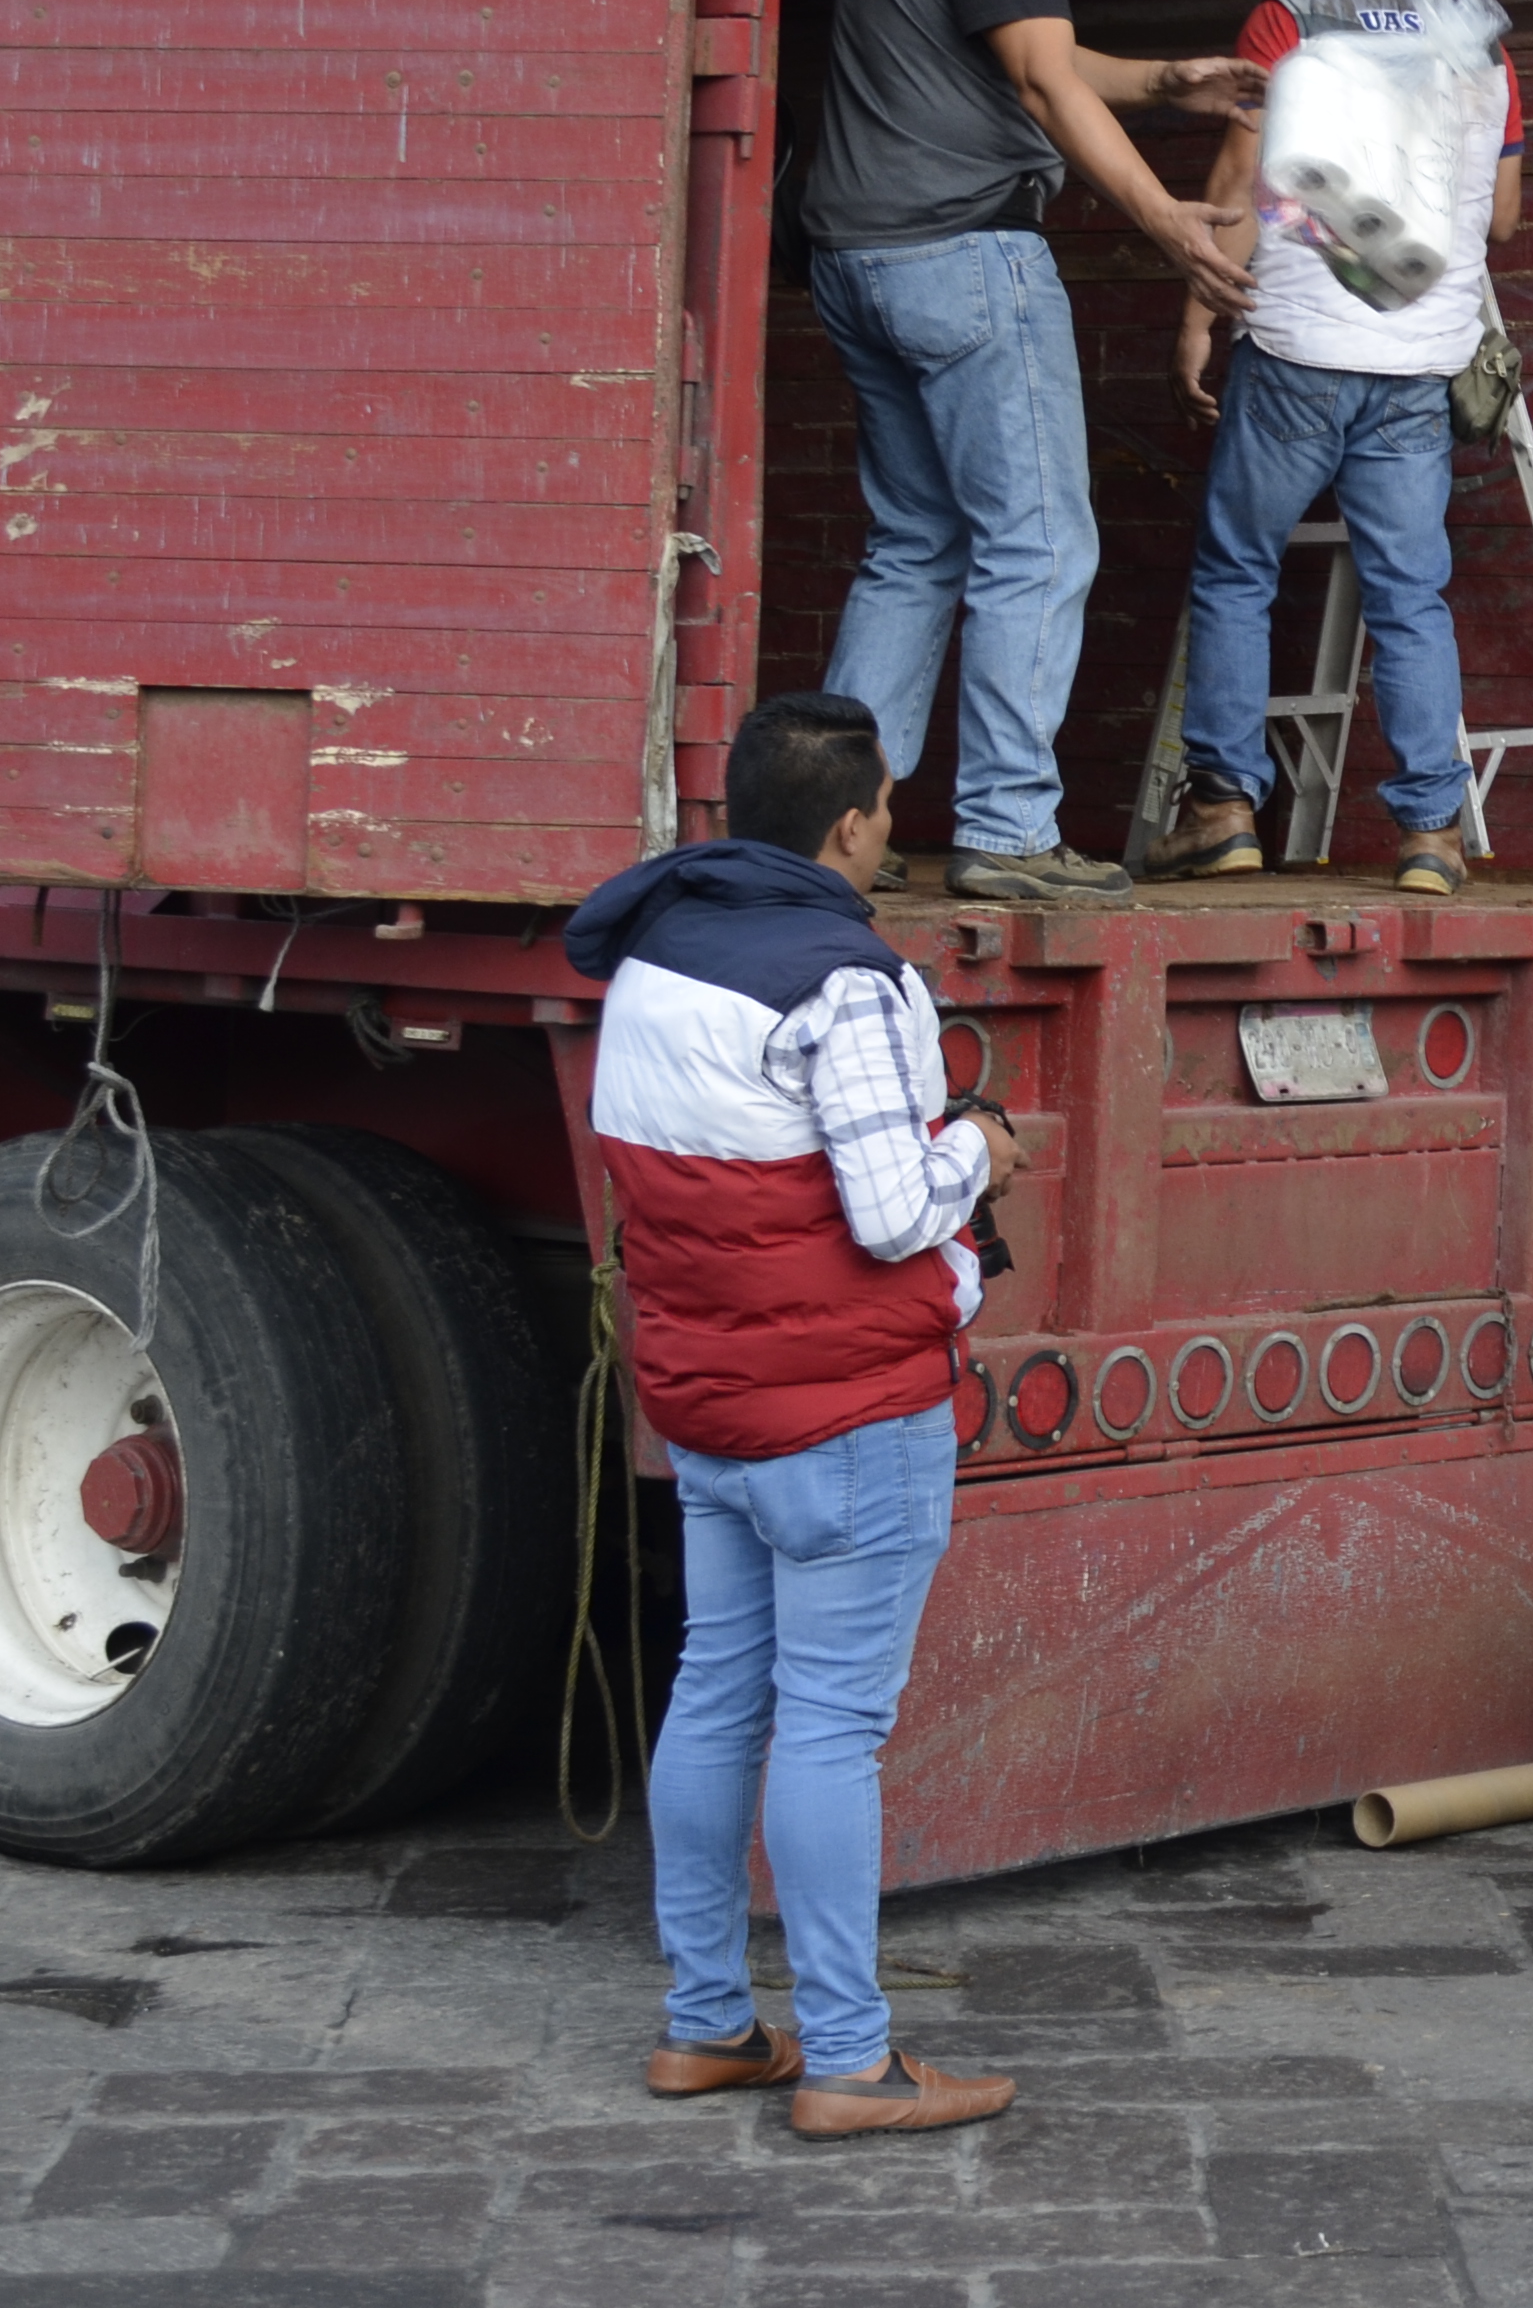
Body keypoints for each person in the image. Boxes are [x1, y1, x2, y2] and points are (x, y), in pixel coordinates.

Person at [566, 690, 1023, 2141]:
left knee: (716, 1694)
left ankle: (709, 2027)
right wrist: (983, 1152)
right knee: (831, 1729)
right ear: (846, 825)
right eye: (890, 810)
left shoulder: (651, 955)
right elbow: (894, 1215)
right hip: (849, 1417)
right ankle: (849, 2060)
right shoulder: (851, 979)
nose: (896, 832)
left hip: (711, 1406)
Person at [803, 0, 1259, 905]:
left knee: (914, 545)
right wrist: (1165, 219)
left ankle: (832, 831)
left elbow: (1033, 58)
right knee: (1039, 539)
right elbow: (1046, 92)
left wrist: (1170, 81)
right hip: (964, 260)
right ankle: (1007, 827)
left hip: (863, 259)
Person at [1151, 0, 1517, 898]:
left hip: (1299, 349)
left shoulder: (1288, 18)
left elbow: (1232, 178)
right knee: (1412, 595)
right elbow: (1500, 212)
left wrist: (1194, 321)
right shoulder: (1481, 40)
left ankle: (1221, 809)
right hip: (1416, 364)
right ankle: (1431, 836)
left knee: (1236, 570)